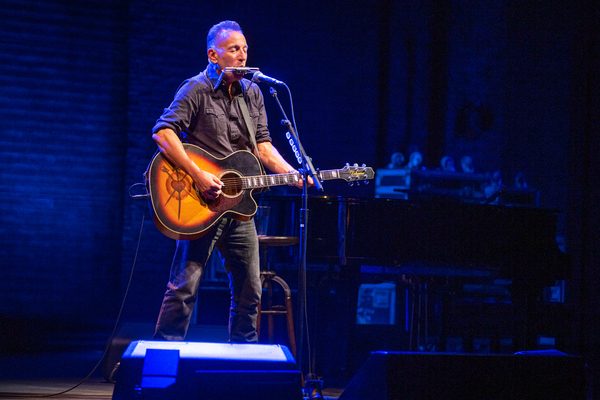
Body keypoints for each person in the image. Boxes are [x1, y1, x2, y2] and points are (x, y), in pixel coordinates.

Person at [151, 20, 309, 343]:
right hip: (201, 203)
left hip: (240, 208)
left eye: (245, 49)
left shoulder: (254, 93)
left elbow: (263, 146)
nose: (242, 56)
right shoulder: (196, 89)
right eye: (234, 49)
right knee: (184, 288)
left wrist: (293, 174)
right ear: (213, 55)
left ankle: (243, 365)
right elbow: (163, 132)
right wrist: (198, 174)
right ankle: (161, 364)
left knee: (251, 291)